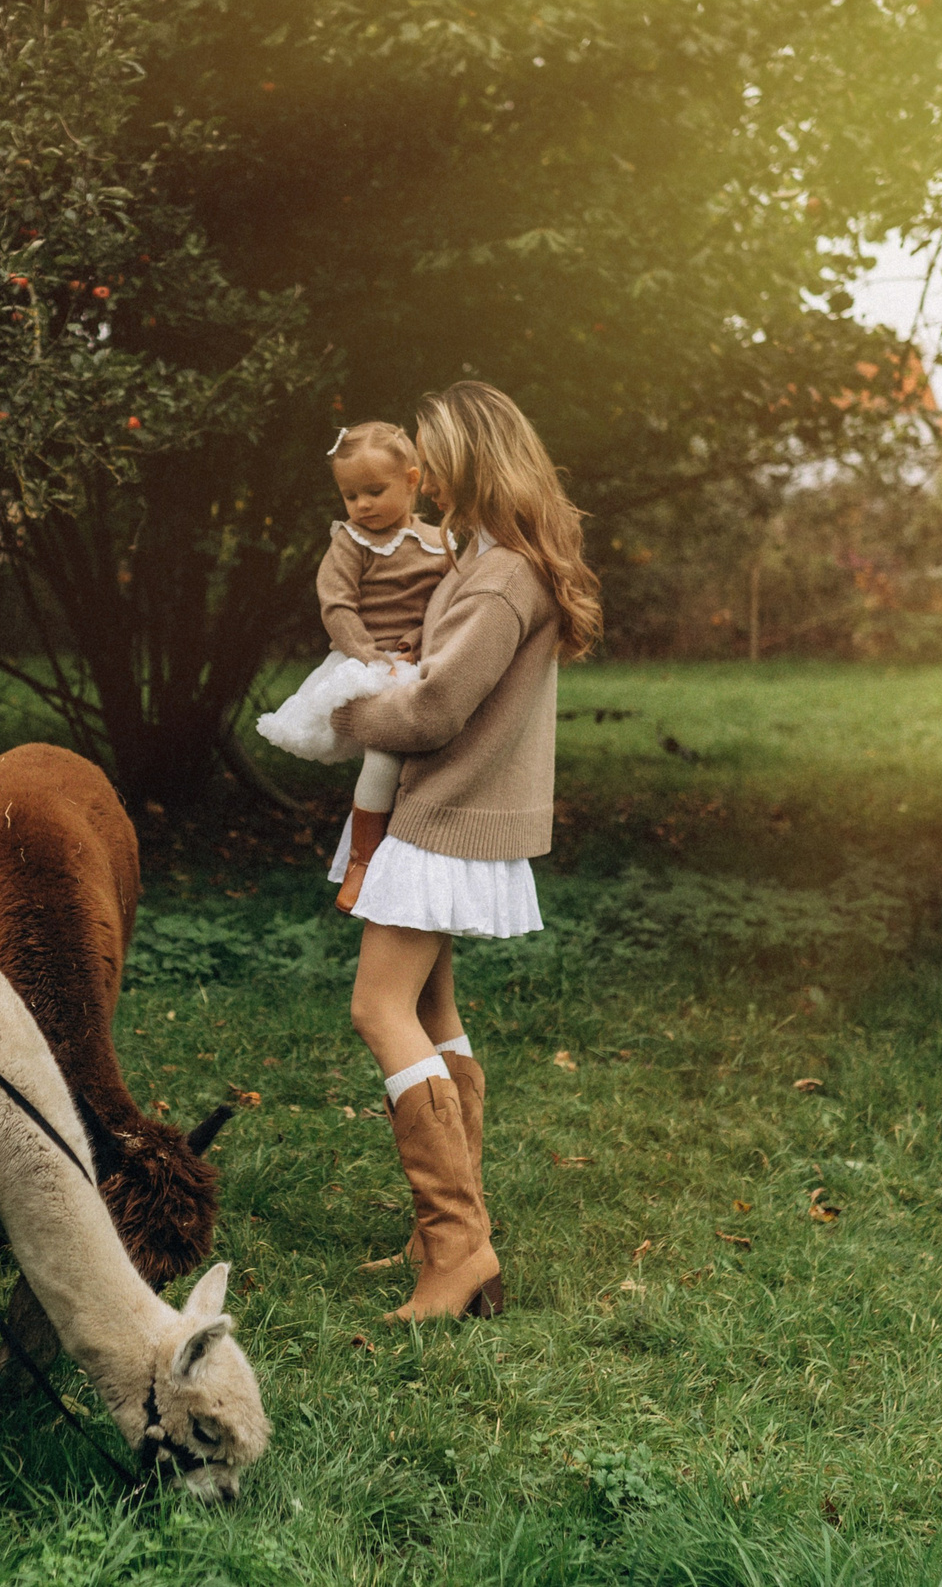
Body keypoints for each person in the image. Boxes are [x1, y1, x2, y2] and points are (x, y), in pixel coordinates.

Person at [326, 381, 601, 1323]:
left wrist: (347, 710)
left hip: (444, 817)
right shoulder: (490, 559)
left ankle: (458, 1246)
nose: (425, 471)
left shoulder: (498, 577)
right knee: (433, 1007)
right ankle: (447, 1233)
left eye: (437, 453)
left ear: (474, 458)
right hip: (450, 816)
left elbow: (439, 706)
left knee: (379, 1006)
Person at [253, 421, 453, 912]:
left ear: (411, 480)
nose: (361, 505)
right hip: (365, 658)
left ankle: (417, 851)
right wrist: (369, 656)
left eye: (374, 491)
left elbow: (446, 605)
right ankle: (363, 859)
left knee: (431, 759)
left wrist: (415, 642)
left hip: (422, 657)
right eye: (350, 495)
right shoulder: (351, 541)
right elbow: (337, 606)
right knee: (384, 752)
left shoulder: (440, 541)